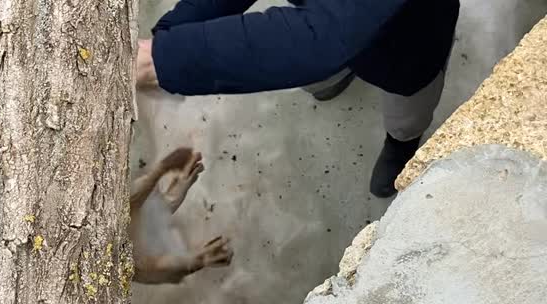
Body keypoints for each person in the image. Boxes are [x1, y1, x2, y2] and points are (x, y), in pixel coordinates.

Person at [136, 0, 460, 198]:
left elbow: (325, 36)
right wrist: (170, 32)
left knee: (408, 111)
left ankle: (401, 143)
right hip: (322, 17)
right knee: (320, 64)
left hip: (410, 44)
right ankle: (336, 75)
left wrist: (163, 59)